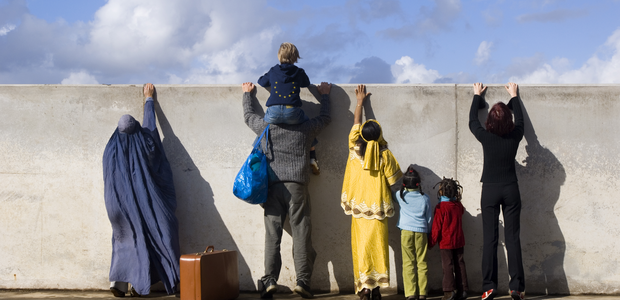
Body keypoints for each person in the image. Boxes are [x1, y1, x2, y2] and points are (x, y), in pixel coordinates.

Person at [242, 81, 332, 299]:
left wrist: (247, 95)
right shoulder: (306, 127)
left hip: (272, 187)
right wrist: (325, 96)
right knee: (301, 233)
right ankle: (303, 282)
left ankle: (270, 280)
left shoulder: (266, 126)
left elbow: (247, 116)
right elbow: (326, 118)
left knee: (272, 235)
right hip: (297, 186)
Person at [103, 83, 180, 297]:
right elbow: (151, 129)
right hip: (149, 204)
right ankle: (141, 285)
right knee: (162, 232)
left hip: (118, 206)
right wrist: (148, 101)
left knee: (125, 239)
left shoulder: (111, 148)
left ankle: (118, 283)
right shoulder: (146, 144)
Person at [341, 84, 403, 300]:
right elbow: (396, 181)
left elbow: (356, 123)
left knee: (361, 248)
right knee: (378, 247)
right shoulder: (385, 155)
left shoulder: (353, 148)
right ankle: (376, 289)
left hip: (359, 210)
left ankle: (364, 288)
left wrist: (359, 102)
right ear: (379, 135)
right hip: (378, 210)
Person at [469, 83, 525, 300]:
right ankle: (516, 288)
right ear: (508, 121)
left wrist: (476, 96)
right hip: (511, 189)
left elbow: (472, 121)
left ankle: (488, 287)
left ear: (490, 121)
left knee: (490, 240)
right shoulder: (515, 136)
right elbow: (519, 121)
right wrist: (514, 96)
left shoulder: (485, 137)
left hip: (490, 191)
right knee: (513, 239)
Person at [257, 42, 321, 175]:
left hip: (273, 111)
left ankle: (259, 154)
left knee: (263, 129)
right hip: (292, 111)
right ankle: (312, 156)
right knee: (308, 127)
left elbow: (261, 82)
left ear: (279, 56)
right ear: (295, 57)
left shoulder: (274, 70)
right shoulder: (298, 72)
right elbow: (306, 83)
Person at [394, 166, 431, 300]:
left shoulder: (400, 195)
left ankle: (410, 293)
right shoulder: (425, 198)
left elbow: (390, 193)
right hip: (421, 232)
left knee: (408, 262)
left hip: (406, 232)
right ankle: (422, 293)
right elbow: (429, 218)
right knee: (422, 263)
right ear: (418, 183)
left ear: (404, 184)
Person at [429, 177, 469, 300]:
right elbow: (461, 212)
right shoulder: (458, 206)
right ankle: (463, 290)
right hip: (458, 240)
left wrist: (431, 242)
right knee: (460, 264)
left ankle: (449, 291)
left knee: (447, 265)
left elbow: (436, 227)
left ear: (441, 191)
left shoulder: (441, 207)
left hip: (445, 242)